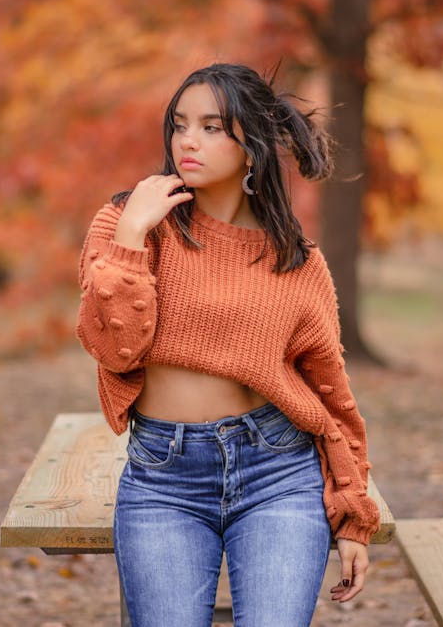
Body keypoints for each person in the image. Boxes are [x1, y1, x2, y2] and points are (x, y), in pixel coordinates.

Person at [76, 63, 380, 627]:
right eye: (180, 124)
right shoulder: (127, 222)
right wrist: (131, 240)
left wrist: (354, 513)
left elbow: (332, 395)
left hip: (278, 472)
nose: (188, 140)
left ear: (252, 147)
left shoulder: (298, 260)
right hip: (163, 476)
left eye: (213, 127)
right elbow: (114, 348)